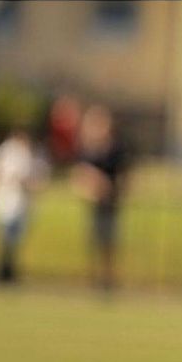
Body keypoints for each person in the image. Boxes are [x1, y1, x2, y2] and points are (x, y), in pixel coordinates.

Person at [71, 104, 128, 290]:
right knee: (92, 241)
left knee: (109, 242)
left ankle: (107, 279)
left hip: (111, 203)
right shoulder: (88, 149)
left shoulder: (115, 148)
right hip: (93, 203)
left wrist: (109, 188)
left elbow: (123, 177)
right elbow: (79, 175)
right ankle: (92, 279)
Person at [0, 128, 49, 282]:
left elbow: (40, 182)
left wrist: (27, 184)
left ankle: (9, 270)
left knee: (15, 240)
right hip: (5, 201)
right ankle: (2, 270)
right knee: (4, 237)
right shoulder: (7, 151)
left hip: (24, 204)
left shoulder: (36, 155)